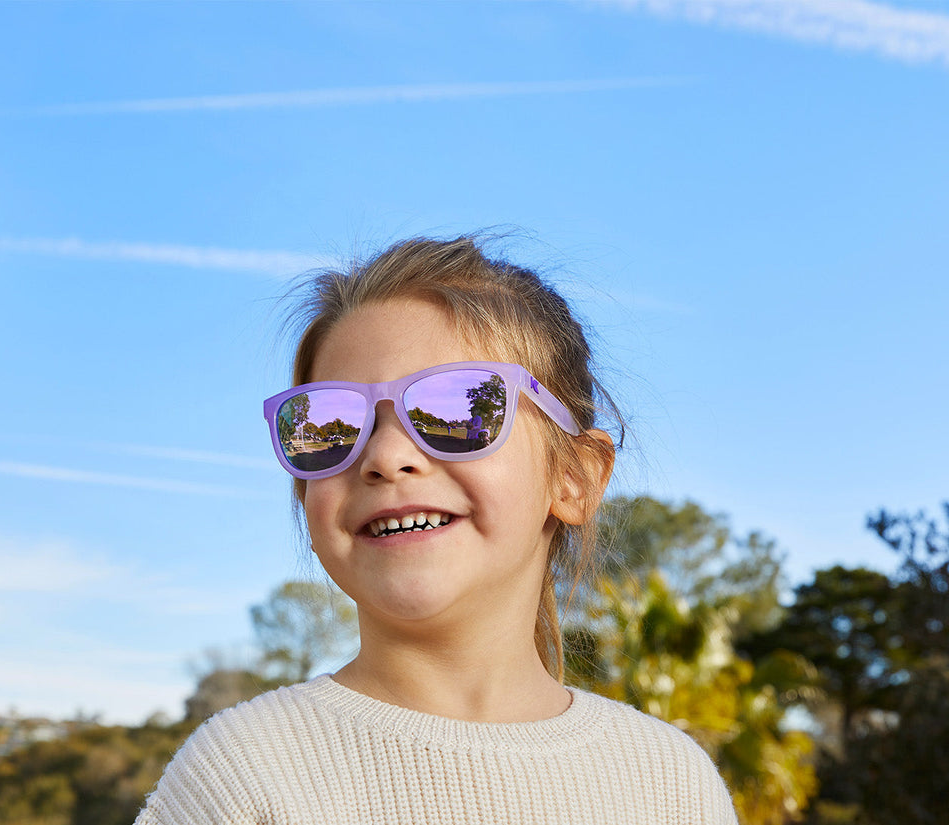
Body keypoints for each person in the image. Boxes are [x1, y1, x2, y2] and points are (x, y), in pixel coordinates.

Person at [135, 236, 738, 824]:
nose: (386, 456)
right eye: (332, 424)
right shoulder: (243, 775)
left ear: (574, 478)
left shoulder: (670, 785)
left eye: (457, 409)